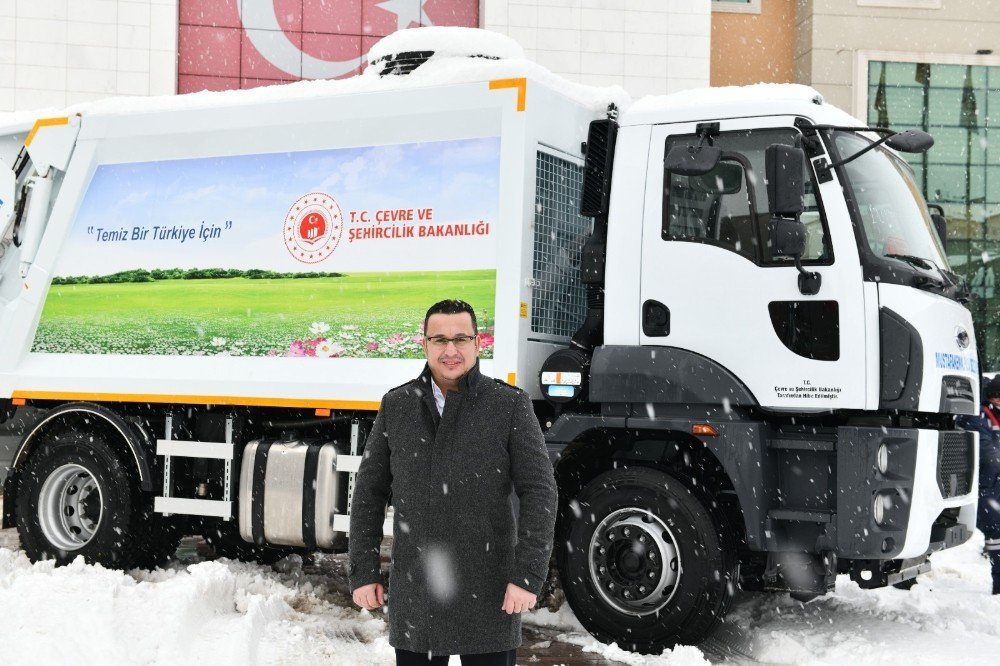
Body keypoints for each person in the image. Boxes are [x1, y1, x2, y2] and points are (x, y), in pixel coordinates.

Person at [348, 299, 558, 665]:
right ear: (424, 344)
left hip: (491, 591)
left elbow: (540, 493)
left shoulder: (508, 405)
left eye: (461, 338)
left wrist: (527, 575)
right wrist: (364, 572)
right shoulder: (397, 406)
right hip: (418, 595)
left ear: (479, 343)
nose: (450, 350)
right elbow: (368, 495)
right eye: (439, 339)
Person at [956, 375, 1000, 594]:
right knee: (997, 534)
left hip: (994, 485)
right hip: (986, 486)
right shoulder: (978, 416)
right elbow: (986, 450)